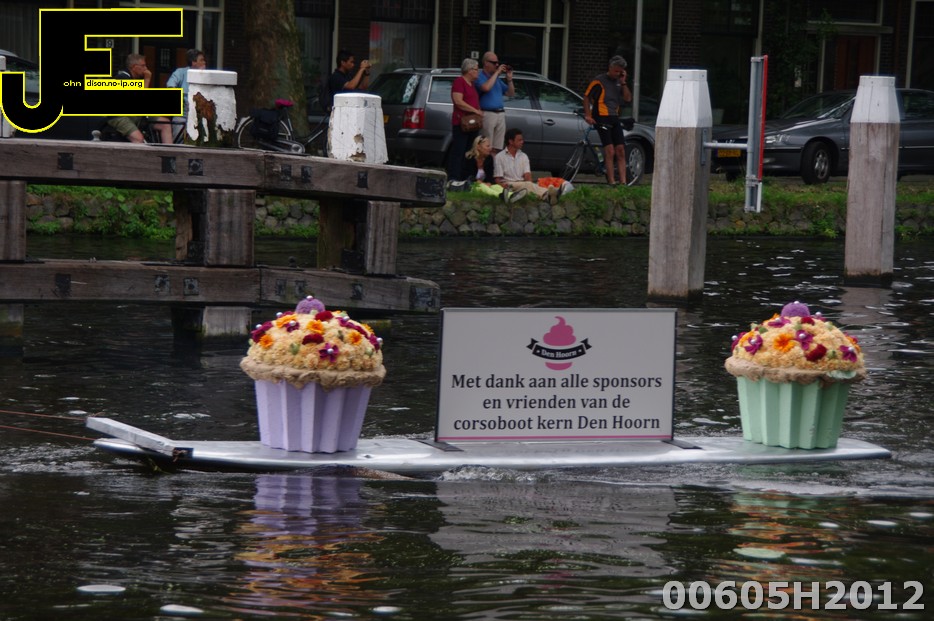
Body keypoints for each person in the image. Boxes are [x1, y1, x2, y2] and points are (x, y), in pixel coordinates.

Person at [583, 55, 633, 185]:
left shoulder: (619, 82)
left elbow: (628, 99)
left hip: (614, 117)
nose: (617, 74)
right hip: (601, 116)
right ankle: (611, 181)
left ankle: (623, 182)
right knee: (610, 150)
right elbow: (586, 97)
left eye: (620, 72)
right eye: (616, 71)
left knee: (620, 149)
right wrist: (588, 115)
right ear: (610, 68)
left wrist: (623, 82)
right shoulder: (599, 80)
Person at [106, 53, 174, 143]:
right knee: (138, 138)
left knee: (165, 124)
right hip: (119, 117)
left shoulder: (136, 79)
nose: (146, 68)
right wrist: (147, 79)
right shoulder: (122, 78)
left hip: (135, 115)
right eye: (143, 66)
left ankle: (168, 152)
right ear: (134, 67)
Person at [493, 128, 561, 205]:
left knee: (530, 185)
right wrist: (504, 188)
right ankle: (548, 195)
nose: (522, 142)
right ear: (511, 141)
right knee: (528, 185)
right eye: (519, 140)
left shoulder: (524, 156)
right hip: (509, 184)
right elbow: (498, 179)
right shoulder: (499, 157)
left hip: (523, 184)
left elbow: (527, 175)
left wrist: (529, 184)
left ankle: (548, 196)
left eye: (522, 140)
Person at [447, 58, 483, 182]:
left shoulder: (472, 85)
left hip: (473, 124)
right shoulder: (459, 82)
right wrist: (475, 110)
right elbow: (458, 101)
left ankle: (466, 177)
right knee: (459, 150)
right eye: (476, 69)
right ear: (469, 70)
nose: (478, 72)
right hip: (461, 123)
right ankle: (454, 178)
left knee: (471, 151)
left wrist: (478, 112)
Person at [475, 51, 515, 155]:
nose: (497, 65)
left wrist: (509, 80)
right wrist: (497, 73)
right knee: (485, 146)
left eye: (498, 63)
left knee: (497, 148)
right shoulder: (479, 76)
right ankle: (484, 165)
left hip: (500, 114)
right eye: (494, 63)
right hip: (488, 114)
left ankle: (494, 165)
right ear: (485, 63)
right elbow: (486, 88)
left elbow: (510, 93)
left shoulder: (496, 79)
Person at [166, 48, 206, 136]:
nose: (204, 62)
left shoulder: (207, 75)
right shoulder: (181, 72)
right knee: (178, 138)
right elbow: (171, 84)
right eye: (201, 60)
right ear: (193, 62)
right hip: (182, 114)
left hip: (199, 115)